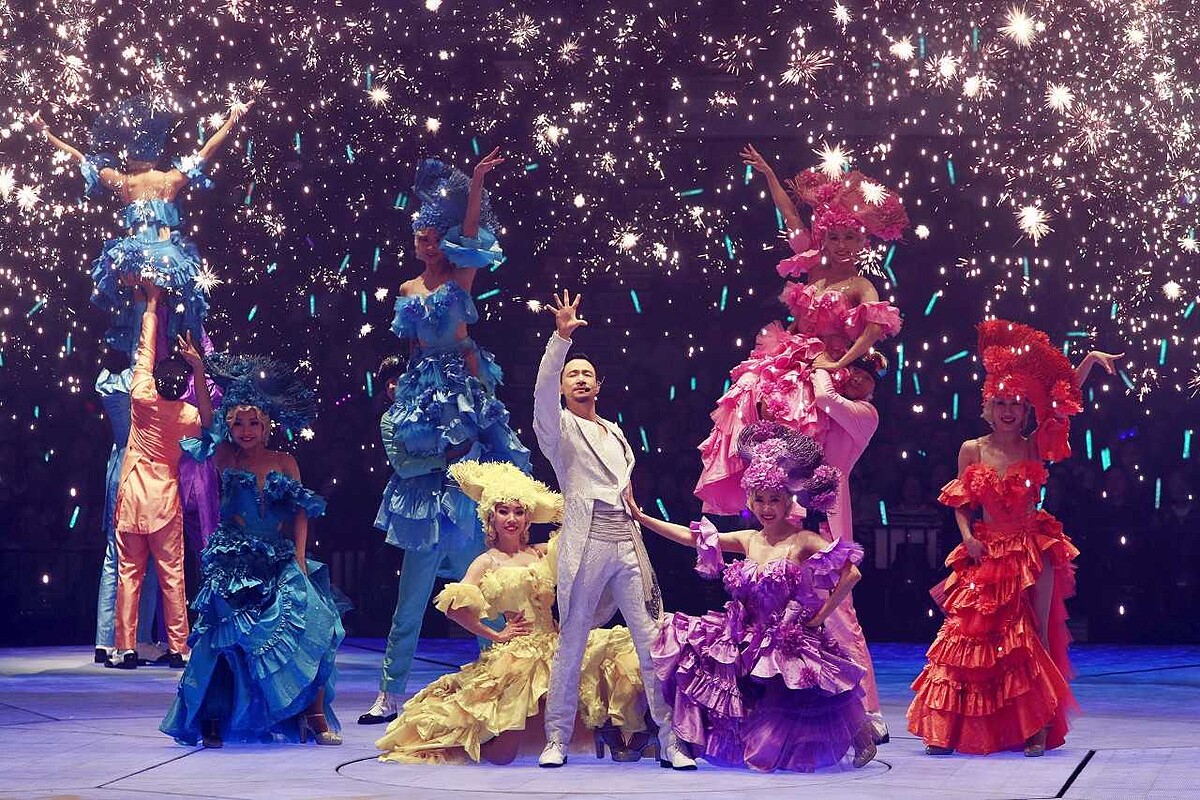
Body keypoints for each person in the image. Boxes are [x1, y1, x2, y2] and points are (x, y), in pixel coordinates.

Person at [31, 95, 245, 660]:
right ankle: (152, 642)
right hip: (142, 293)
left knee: (162, 323)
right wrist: (50, 136)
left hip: (162, 284)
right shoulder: (133, 184)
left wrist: (230, 121)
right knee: (143, 328)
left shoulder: (160, 182)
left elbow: (204, 153)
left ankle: (138, 642)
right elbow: (85, 158)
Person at [361, 150, 532, 725]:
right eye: (421, 237)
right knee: (412, 597)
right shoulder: (408, 286)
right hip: (423, 388)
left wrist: (476, 181)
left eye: (435, 237)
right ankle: (389, 693)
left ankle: (505, 684)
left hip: (461, 381)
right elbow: (413, 347)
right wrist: (408, 395)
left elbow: (471, 230)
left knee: (482, 586)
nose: (428, 245)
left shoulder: (461, 276)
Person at [907, 319, 1121, 756]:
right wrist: (967, 538)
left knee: (1032, 634)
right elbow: (961, 503)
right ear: (988, 407)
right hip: (986, 548)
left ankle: (1036, 724)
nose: (1007, 411)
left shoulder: (1033, 445)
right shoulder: (972, 449)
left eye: (1015, 405)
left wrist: (1088, 361)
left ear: (1025, 412)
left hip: (1031, 547)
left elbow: (1061, 401)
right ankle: (950, 728)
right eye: (1000, 403)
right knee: (968, 636)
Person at [633, 421, 877, 772]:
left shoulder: (803, 540)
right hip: (748, 634)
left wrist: (820, 617)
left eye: (774, 499)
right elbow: (691, 537)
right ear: (750, 500)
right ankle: (684, 739)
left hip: (787, 638)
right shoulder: (749, 539)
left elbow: (851, 573)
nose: (767, 507)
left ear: (788, 501)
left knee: (798, 698)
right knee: (686, 642)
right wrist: (641, 518)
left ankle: (854, 737)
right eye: (759, 499)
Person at [375, 461, 651, 764]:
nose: (511, 519)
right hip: (518, 655)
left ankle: (629, 736)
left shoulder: (540, 552)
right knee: (502, 755)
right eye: (504, 511)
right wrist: (495, 634)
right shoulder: (486, 561)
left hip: (556, 643)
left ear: (528, 518)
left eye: (519, 512)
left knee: (618, 654)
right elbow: (453, 607)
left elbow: (580, 539)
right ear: (490, 516)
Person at [695, 147, 908, 515]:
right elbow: (790, 215)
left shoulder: (861, 285)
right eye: (835, 237)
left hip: (823, 365)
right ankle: (755, 487)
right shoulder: (813, 267)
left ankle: (796, 504)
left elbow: (876, 328)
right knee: (745, 391)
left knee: (798, 419)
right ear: (823, 237)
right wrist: (769, 175)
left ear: (863, 243)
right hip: (791, 354)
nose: (842, 245)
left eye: (850, 238)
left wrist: (839, 362)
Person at [532, 290, 695, 769]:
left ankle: (672, 741)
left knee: (651, 640)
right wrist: (560, 341)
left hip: (627, 541)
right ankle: (556, 739)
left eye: (587, 374)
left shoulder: (617, 432)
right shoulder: (558, 429)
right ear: (563, 387)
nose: (580, 379)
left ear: (598, 384)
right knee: (572, 642)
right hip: (587, 543)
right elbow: (541, 393)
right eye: (572, 375)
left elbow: (623, 484)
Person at [161, 353, 344, 747]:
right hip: (234, 563)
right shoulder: (226, 457)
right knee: (222, 636)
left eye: (253, 423)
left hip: (278, 558)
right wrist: (198, 370)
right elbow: (206, 421)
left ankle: (312, 715)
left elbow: (300, 513)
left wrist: (299, 558)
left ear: (266, 425)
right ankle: (212, 717)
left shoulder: (285, 461)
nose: (246, 431)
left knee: (320, 619)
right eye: (238, 423)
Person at [109, 281, 213, 669]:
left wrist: (151, 305)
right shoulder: (186, 415)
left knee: (129, 574)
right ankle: (179, 648)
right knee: (172, 576)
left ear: (155, 380)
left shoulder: (141, 397)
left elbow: (144, 350)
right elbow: (209, 419)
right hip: (165, 504)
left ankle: (125, 648)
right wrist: (198, 368)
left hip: (133, 497)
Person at [811, 355, 890, 742]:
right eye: (854, 370)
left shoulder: (865, 414)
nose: (858, 378)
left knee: (841, 614)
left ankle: (869, 711)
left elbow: (825, 397)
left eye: (867, 376)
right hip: (794, 512)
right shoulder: (814, 410)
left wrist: (821, 364)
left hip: (828, 516)